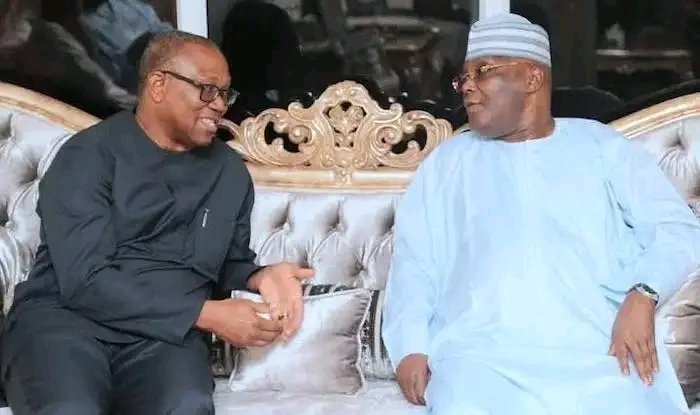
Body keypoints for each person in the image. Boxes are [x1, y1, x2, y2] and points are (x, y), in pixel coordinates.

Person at [382, 13, 700, 415]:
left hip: (596, 351)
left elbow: (677, 229)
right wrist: (410, 347)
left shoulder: (601, 147)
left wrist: (644, 294)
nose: (468, 87)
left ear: (532, 78)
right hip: (479, 358)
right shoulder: (448, 162)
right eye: (463, 78)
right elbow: (415, 262)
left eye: (483, 72)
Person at [0, 30, 314, 415]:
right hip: (66, 325)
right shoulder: (87, 156)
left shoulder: (229, 173)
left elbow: (226, 263)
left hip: (164, 338)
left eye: (224, 94)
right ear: (159, 85)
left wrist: (261, 276)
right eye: (207, 90)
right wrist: (206, 314)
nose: (219, 105)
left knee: (187, 404)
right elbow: (85, 281)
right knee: (69, 408)